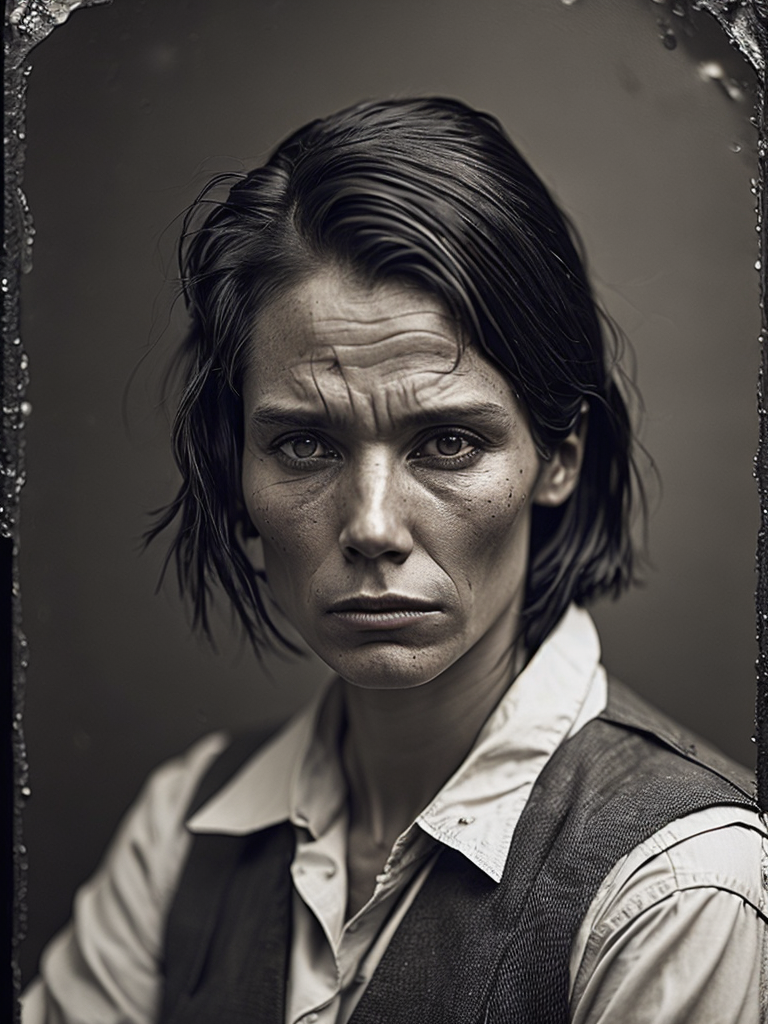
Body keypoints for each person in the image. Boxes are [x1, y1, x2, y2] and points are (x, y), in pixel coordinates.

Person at [22, 97, 767, 1023]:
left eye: (449, 442)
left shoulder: (681, 888)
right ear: (236, 464)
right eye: (305, 445)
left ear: (558, 456)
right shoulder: (186, 831)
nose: (372, 525)